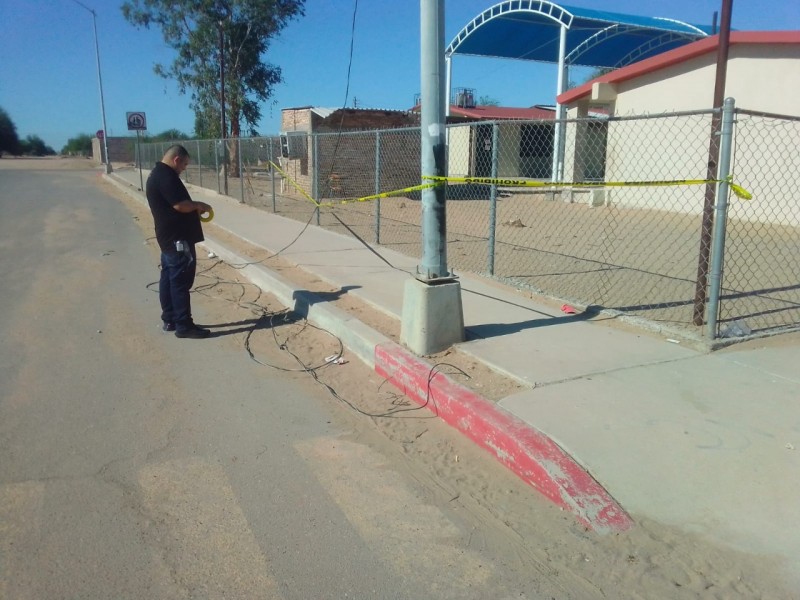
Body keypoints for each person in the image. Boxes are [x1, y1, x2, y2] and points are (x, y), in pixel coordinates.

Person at [146, 144, 214, 339]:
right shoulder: (166, 176)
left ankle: (170, 319)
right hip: (177, 239)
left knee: (169, 277)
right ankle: (184, 325)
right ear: (176, 159)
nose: (184, 168)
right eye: (184, 164)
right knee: (180, 281)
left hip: (168, 237)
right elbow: (180, 205)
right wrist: (200, 205)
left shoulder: (158, 174)